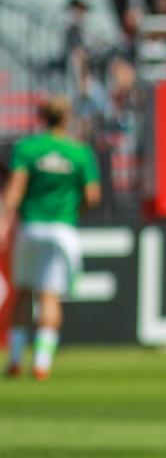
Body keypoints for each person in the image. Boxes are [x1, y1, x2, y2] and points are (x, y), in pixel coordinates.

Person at [0, 96, 100, 380]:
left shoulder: (28, 148)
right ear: (67, 118)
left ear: (42, 117)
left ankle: (16, 359)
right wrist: (74, 212)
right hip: (63, 230)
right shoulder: (79, 152)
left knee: (23, 292)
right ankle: (42, 363)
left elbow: (15, 188)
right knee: (49, 296)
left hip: (31, 227)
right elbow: (93, 196)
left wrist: (4, 219)